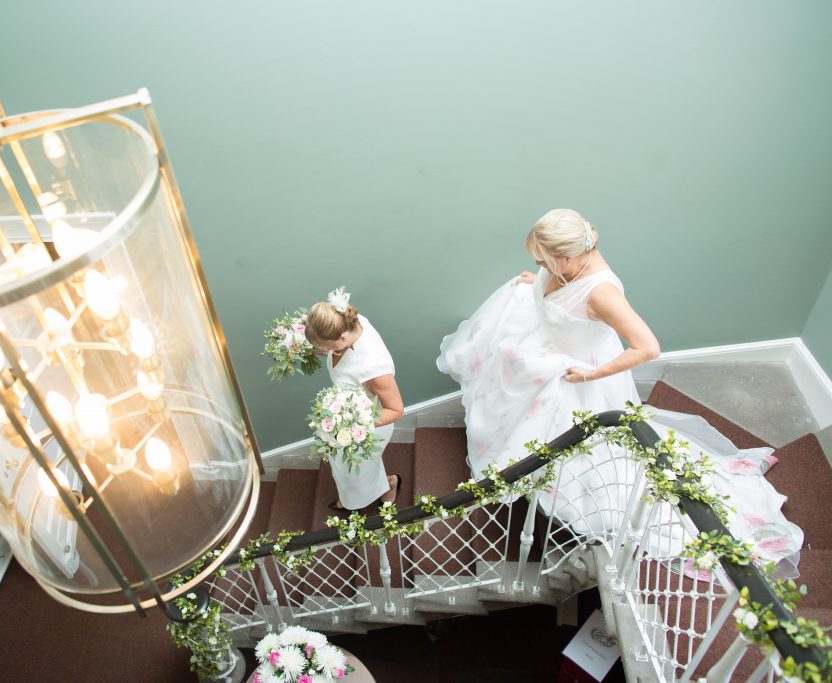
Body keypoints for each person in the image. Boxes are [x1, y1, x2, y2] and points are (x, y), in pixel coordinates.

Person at [436, 208, 802, 575]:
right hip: (549, 352)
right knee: (526, 436)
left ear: (568, 256)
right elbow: (559, 290)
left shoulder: (603, 294)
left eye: (544, 260)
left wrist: (593, 374)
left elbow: (647, 347)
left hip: (578, 377)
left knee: (582, 456)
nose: (540, 264)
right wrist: (539, 282)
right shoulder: (566, 265)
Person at [307, 287, 404, 511]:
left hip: (368, 424)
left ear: (341, 337)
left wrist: (353, 425)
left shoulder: (373, 366)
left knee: (354, 472)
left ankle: (389, 483)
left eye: (327, 346)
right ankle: (376, 487)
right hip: (346, 414)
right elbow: (333, 347)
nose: (324, 351)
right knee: (343, 467)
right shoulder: (348, 321)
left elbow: (396, 410)